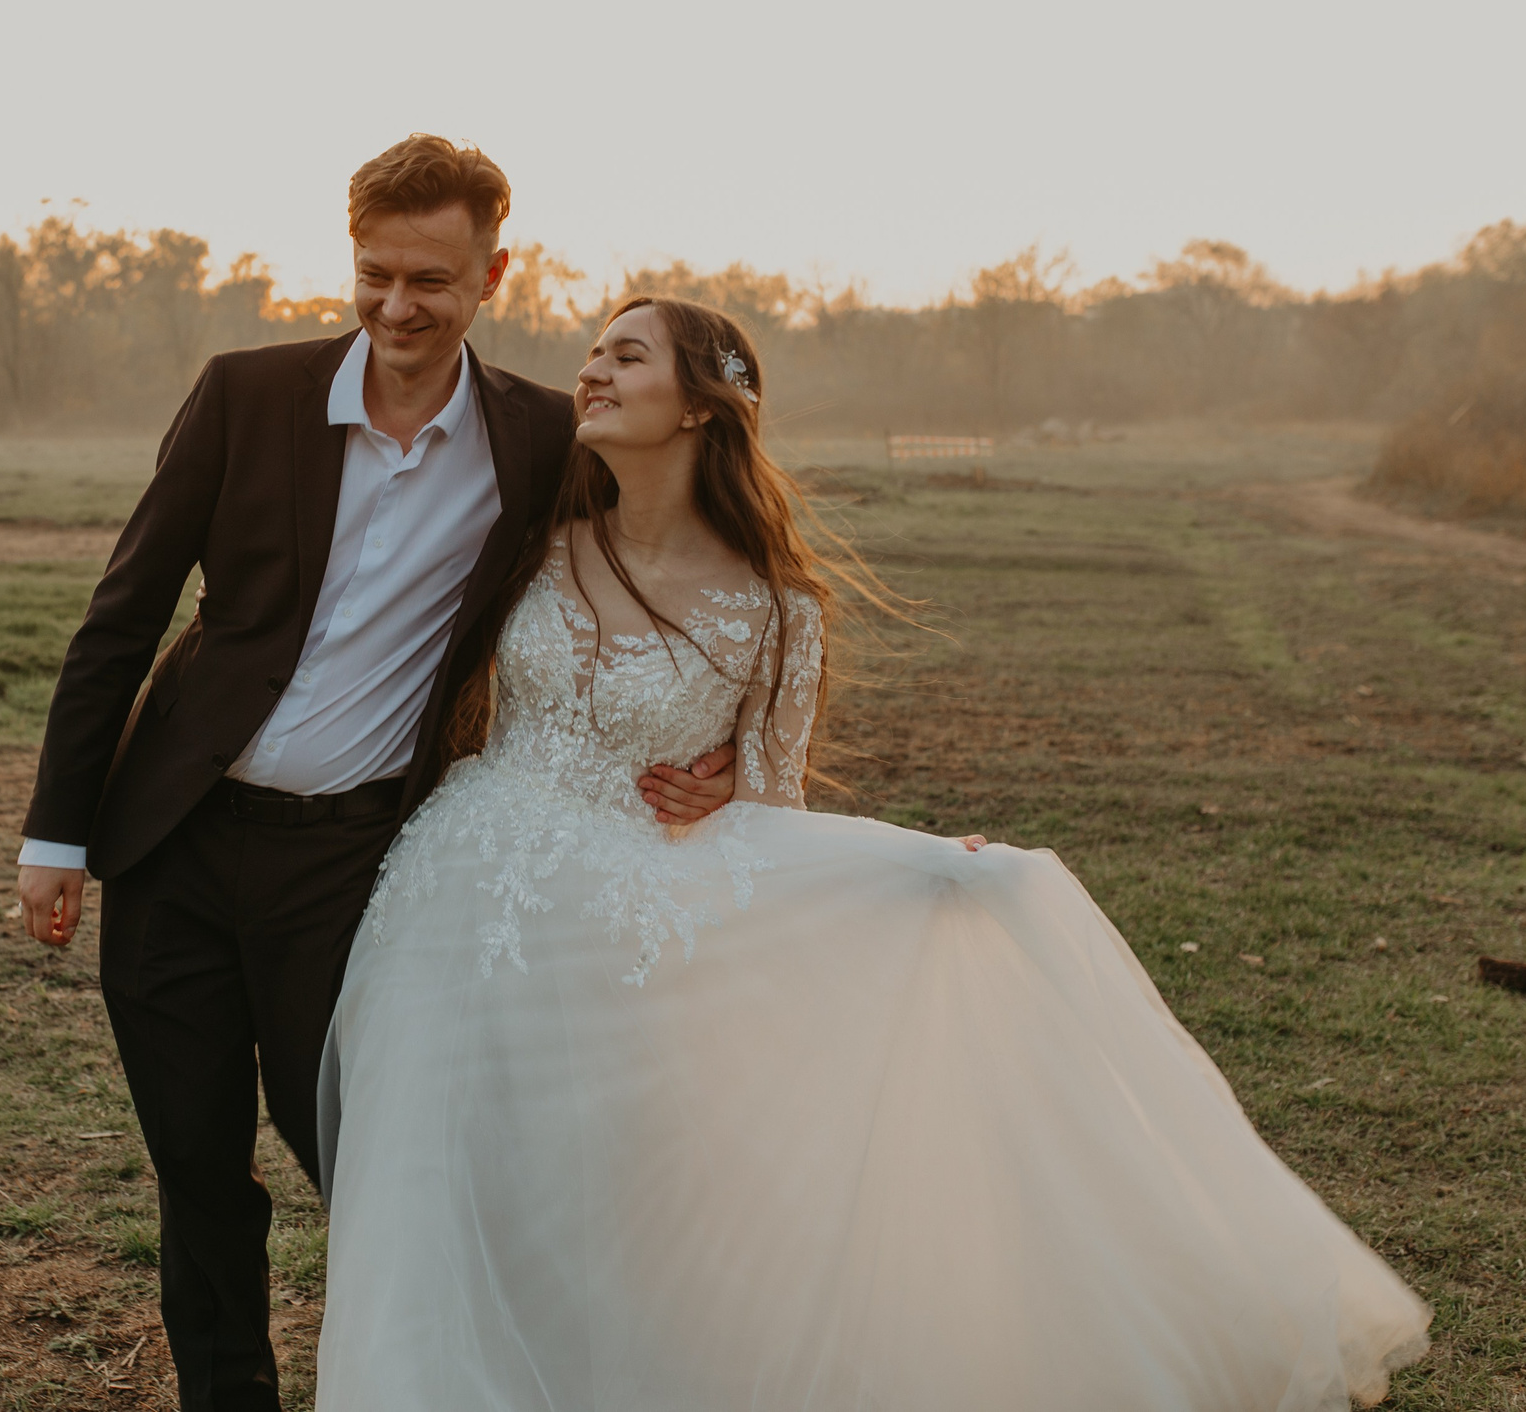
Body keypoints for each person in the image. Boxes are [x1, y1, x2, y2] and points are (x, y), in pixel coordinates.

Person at [315, 297, 1434, 1410]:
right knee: (428, 1199)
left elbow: (771, 803)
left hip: (621, 936)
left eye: (626, 356)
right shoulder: (524, 543)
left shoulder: (777, 611)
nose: (591, 374)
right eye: (591, 354)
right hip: (457, 898)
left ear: (703, 408)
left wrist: (920, 866)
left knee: (600, 1210)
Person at [12, 136, 739, 1412]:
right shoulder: (246, 394)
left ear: (491, 275)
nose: (397, 307)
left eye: (430, 282)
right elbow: (120, 617)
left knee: (362, 1155)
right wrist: (55, 836)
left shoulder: (533, 440)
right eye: (374, 275)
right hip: (173, 842)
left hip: (349, 864)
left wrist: (712, 732)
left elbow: (653, 568)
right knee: (194, 1164)